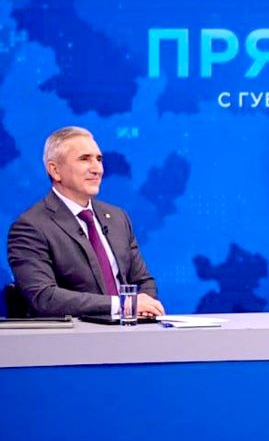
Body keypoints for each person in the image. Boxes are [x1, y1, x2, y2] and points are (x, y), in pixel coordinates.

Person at [7, 126, 165, 318]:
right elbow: (44, 297)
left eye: (99, 159)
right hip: (75, 334)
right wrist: (123, 304)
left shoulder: (118, 218)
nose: (97, 169)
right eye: (84, 159)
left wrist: (145, 306)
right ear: (55, 170)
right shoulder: (30, 227)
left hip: (129, 331)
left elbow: (144, 282)